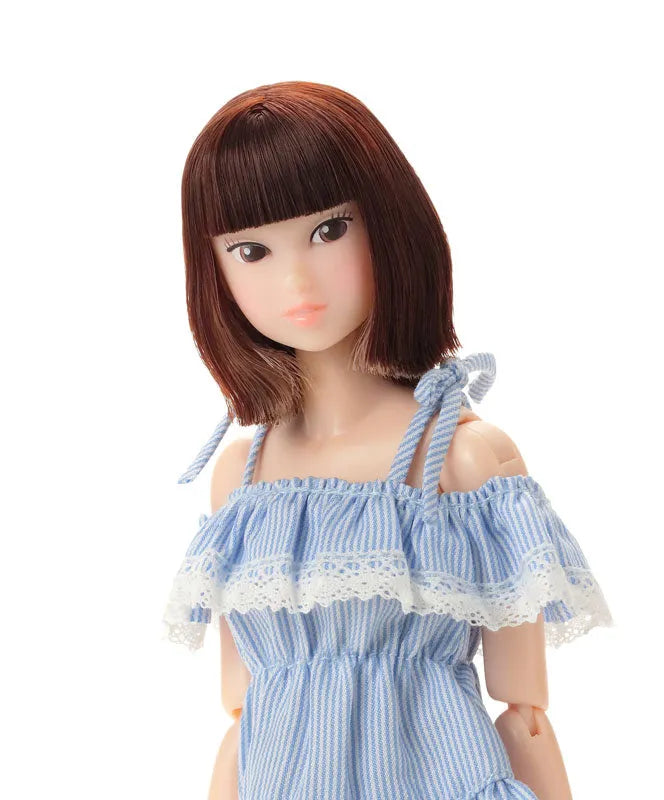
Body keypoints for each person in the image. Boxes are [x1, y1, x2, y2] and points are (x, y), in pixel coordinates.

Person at [162, 80, 613, 800]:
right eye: (251, 250)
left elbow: (524, 711)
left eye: (329, 231)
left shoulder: (461, 460)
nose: (296, 279)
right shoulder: (241, 479)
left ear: (389, 223)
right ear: (212, 268)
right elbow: (242, 713)